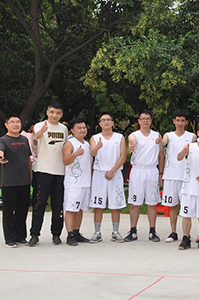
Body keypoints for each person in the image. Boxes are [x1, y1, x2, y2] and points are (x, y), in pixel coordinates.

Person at [28, 102, 68, 246]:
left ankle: (56, 234)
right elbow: (36, 136)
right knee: (39, 205)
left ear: (61, 114)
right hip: (42, 171)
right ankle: (34, 234)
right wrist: (42, 131)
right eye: (52, 112)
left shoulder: (63, 129)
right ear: (47, 112)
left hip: (59, 172)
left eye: (57, 113)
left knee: (58, 206)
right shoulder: (40, 125)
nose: (54, 115)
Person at [125, 110, 164, 242]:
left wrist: (161, 174)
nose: (145, 121)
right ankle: (133, 231)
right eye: (143, 119)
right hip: (137, 171)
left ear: (151, 121)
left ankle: (152, 231)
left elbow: (161, 155)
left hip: (152, 170)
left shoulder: (157, 136)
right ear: (139, 121)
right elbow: (131, 141)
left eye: (148, 119)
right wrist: (131, 145)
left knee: (152, 203)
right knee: (135, 203)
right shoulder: (134, 135)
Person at [88, 113, 127, 243]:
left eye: (108, 120)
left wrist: (113, 170)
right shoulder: (95, 138)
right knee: (98, 205)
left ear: (112, 122)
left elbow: (123, 156)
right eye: (103, 120)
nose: (106, 122)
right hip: (99, 173)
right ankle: (97, 233)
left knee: (115, 205)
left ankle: (115, 232)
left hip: (115, 173)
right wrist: (97, 147)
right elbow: (92, 153)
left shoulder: (119, 137)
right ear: (99, 123)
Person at [0, 114, 32, 247]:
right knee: (9, 212)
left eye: (18, 122)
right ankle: (10, 239)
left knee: (22, 211)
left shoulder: (24, 139)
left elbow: (28, 158)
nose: (15, 124)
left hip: (24, 181)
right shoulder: (3, 140)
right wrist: (0, 155)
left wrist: (30, 176)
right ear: (6, 125)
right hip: (10, 182)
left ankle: (21, 237)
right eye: (12, 122)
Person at [162, 111, 196, 242]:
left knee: (186, 206)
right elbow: (162, 143)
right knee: (172, 206)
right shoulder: (168, 136)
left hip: (186, 177)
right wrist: (159, 142)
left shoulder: (192, 137)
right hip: (171, 175)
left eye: (183, 120)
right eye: (178, 120)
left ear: (186, 122)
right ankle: (173, 231)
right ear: (174, 121)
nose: (180, 123)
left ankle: (186, 233)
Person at [62, 118, 93, 246]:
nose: (82, 130)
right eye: (79, 128)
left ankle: (76, 232)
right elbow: (65, 161)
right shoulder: (69, 144)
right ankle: (70, 235)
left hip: (85, 182)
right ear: (72, 130)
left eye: (84, 127)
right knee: (71, 209)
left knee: (80, 209)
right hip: (73, 183)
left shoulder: (87, 144)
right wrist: (76, 154)